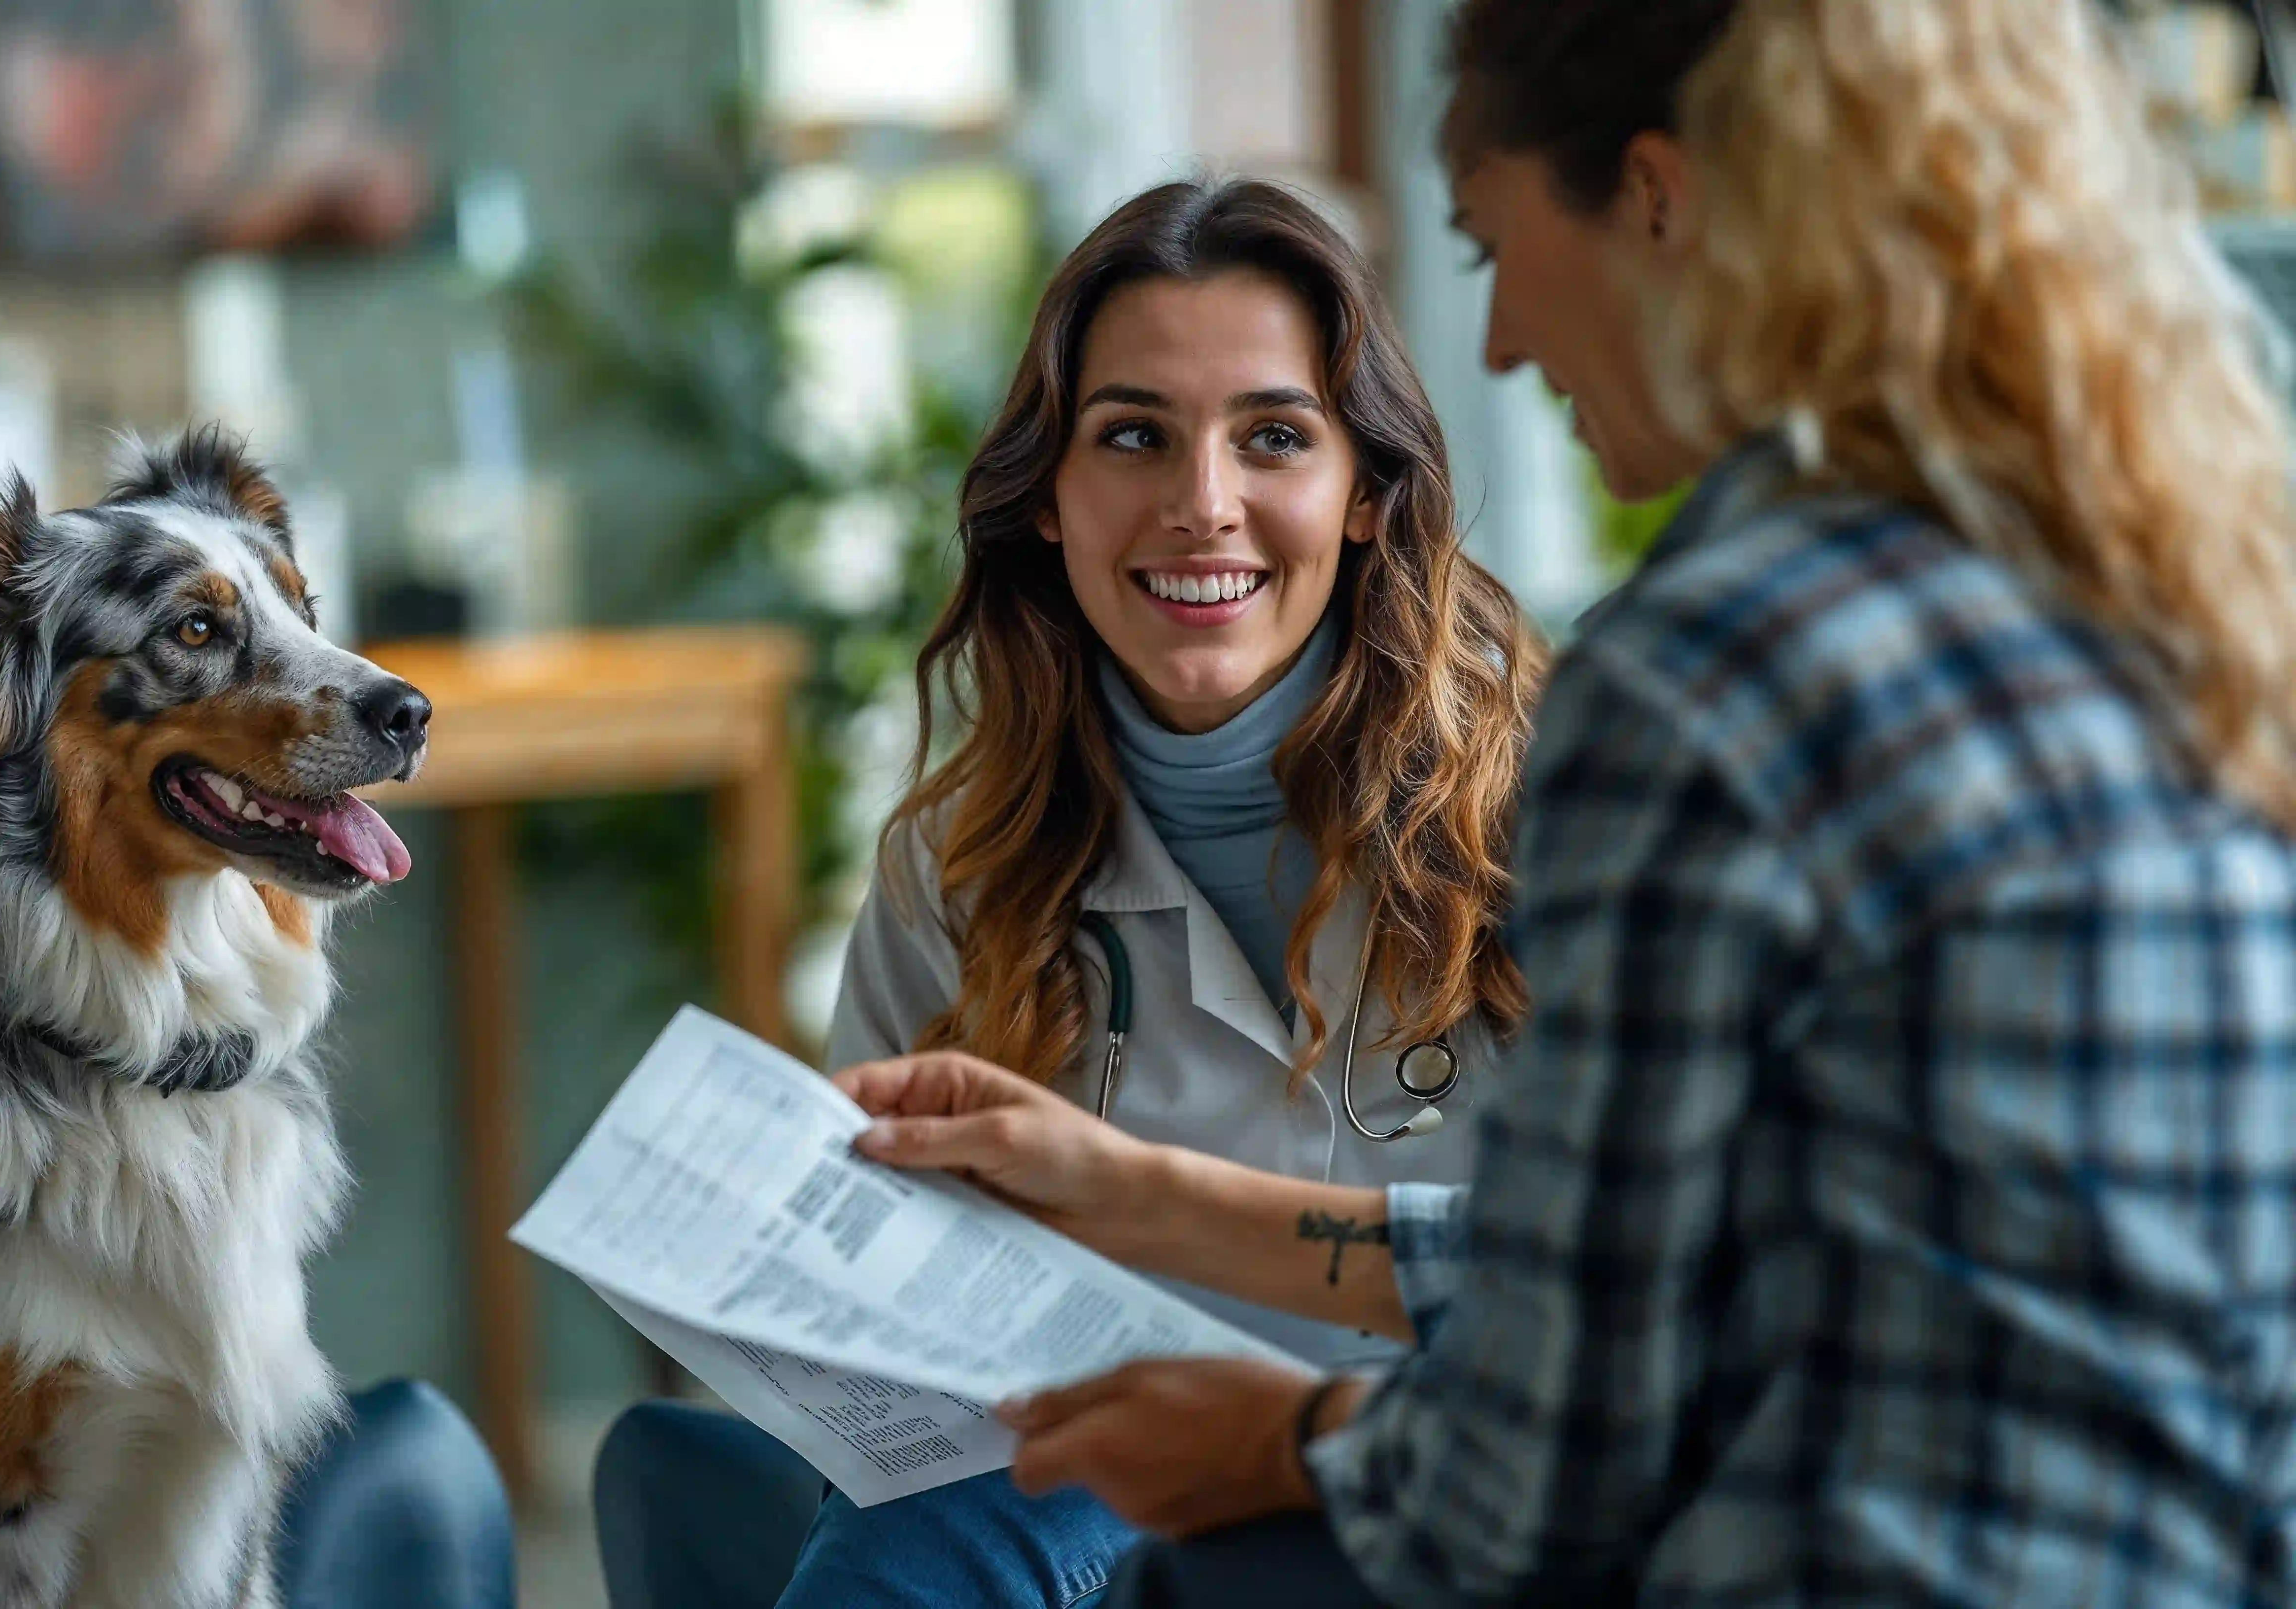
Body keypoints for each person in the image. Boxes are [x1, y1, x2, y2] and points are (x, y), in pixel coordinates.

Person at [822, 0, 2296, 1604]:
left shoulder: (1707, 685)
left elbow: (1542, 1464)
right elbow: (1672, 1276)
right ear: (1045, 494)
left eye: (1490, 243)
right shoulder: (2148, 606)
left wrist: (1275, 1438)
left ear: (1656, 200)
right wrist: (1138, 1199)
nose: (1510, 337)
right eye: (1133, 438)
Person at [593, 177, 1544, 1608]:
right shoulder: (959, 866)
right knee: (712, 1475)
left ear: (1364, 496)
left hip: (1437, 1503)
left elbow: (1646, 1300)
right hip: (1084, 1504)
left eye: (1273, 438)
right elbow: (897, 1326)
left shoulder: (1561, 819)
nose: (1202, 506)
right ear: (1049, 497)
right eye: (1135, 438)